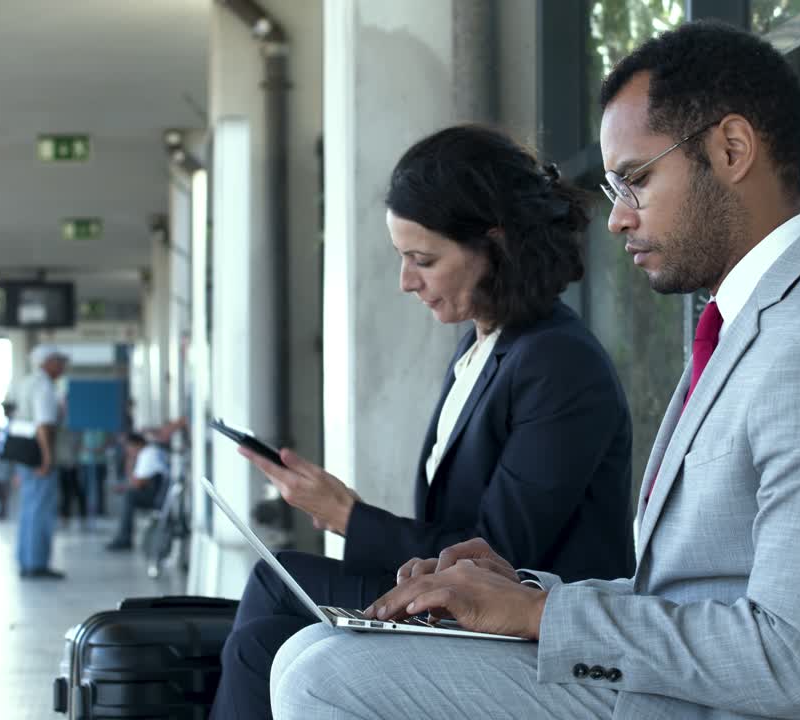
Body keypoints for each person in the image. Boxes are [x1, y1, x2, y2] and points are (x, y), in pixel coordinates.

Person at [269, 21, 800, 720]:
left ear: (731, 149)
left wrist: (541, 615)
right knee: (310, 651)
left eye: (635, 181)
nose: (617, 219)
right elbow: (690, 599)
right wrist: (522, 594)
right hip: (688, 695)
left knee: (327, 676)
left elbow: (789, 659)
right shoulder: (758, 327)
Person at [210, 125, 636, 720]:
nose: (406, 282)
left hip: (538, 627)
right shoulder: (482, 349)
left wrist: (349, 517)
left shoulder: (559, 364)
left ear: (496, 245)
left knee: (271, 599)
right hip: (461, 599)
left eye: (423, 260)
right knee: (262, 634)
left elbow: (503, 551)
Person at [7, 344, 68, 580]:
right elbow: (44, 425)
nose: (62, 366)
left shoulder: (26, 383)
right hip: (37, 456)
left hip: (24, 455)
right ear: (47, 362)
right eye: (59, 361)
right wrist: (47, 458)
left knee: (29, 508)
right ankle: (37, 563)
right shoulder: (44, 387)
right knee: (41, 509)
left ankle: (26, 560)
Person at [105, 432, 169, 551]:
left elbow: (138, 483)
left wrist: (130, 461)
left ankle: (125, 538)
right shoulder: (150, 452)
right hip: (157, 493)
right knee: (129, 494)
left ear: (137, 444)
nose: (128, 451)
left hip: (157, 496)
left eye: (129, 447)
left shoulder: (148, 454)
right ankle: (124, 537)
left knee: (129, 496)